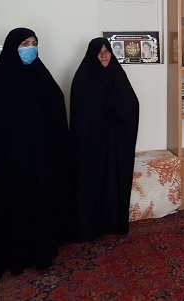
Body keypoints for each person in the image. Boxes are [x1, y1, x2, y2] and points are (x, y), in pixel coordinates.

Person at [0, 28, 69, 281]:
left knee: (37, 200)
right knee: (12, 203)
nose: (30, 48)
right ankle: (11, 253)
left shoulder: (40, 74)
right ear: (13, 46)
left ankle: (37, 249)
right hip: (9, 159)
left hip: (38, 156)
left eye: (34, 43)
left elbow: (56, 106)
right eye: (25, 43)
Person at [70, 38, 140, 242]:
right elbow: (80, 114)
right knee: (91, 182)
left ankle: (113, 222)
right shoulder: (83, 78)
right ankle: (90, 226)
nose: (103, 55)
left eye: (107, 50)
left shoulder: (117, 75)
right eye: (99, 51)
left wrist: (114, 106)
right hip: (90, 144)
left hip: (114, 143)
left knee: (113, 180)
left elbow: (132, 105)